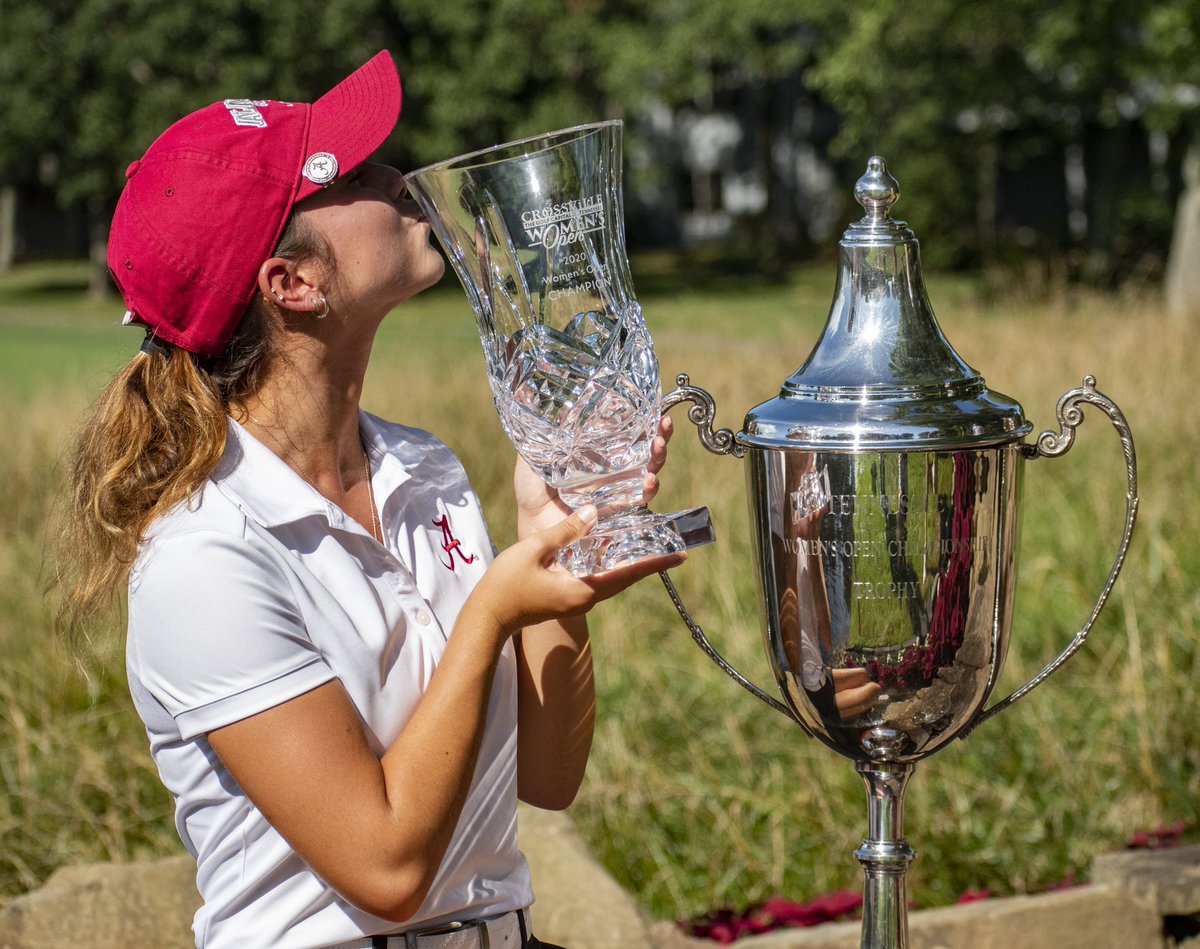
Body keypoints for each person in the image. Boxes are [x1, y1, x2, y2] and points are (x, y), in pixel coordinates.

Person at [57, 50, 682, 949]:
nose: (394, 175)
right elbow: (386, 870)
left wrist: (558, 563)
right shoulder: (205, 557)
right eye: (345, 175)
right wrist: (493, 612)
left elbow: (546, 776)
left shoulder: (421, 467)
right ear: (291, 284)